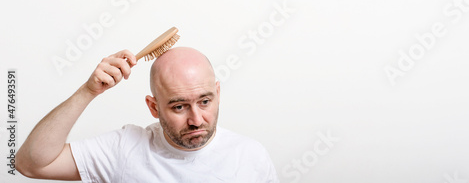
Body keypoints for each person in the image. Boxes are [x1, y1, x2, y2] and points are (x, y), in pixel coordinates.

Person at [16, 47, 279, 182]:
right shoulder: (124, 149)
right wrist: (88, 91)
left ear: (218, 93)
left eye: (205, 101)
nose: (196, 120)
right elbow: (31, 164)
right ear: (153, 107)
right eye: (179, 106)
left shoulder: (251, 156)